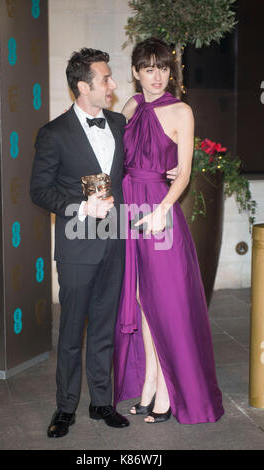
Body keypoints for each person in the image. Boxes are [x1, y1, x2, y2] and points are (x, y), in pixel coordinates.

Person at [113, 38, 224, 424]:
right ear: (135, 72)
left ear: (170, 72)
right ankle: (148, 382)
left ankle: (164, 390)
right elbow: (114, 159)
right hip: (129, 208)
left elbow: (186, 172)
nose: (157, 76)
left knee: (164, 301)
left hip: (158, 212)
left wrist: (162, 208)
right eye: (149, 68)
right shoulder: (130, 107)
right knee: (142, 299)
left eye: (163, 68)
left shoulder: (181, 111)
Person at [30, 47, 130, 438]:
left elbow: (132, 171)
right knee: (72, 330)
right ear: (82, 86)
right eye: (105, 79)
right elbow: (39, 192)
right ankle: (65, 407)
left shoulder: (119, 123)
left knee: (104, 327)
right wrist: (80, 207)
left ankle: (101, 402)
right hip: (76, 246)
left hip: (114, 243)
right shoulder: (54, 133)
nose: (113, 85)